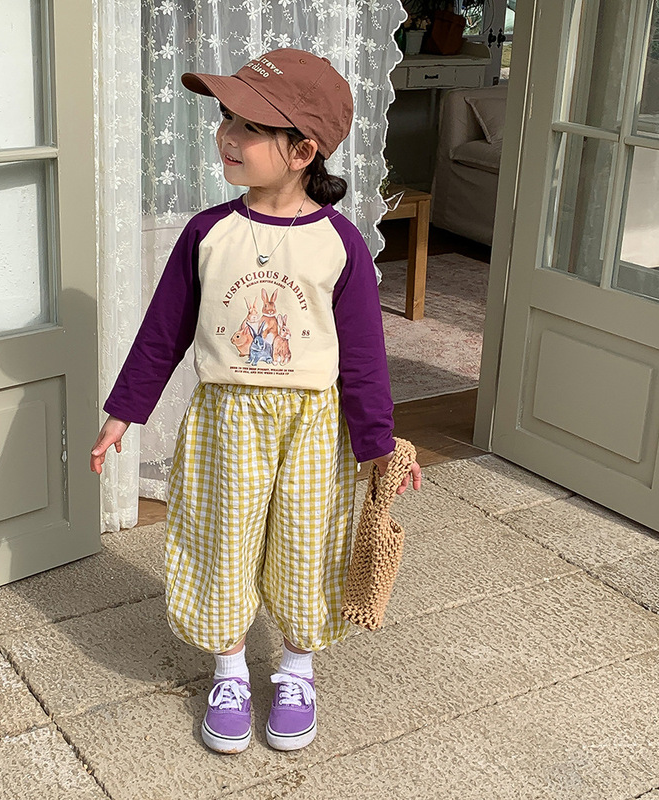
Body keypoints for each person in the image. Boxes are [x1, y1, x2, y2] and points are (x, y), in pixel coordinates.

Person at [90, 48, 422, 755]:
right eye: (226, 119)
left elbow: (364, 358)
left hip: (314, 425)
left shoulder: (339, 244)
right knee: (223, 540)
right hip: (227, 420)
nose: (227, 136)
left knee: (308, 543)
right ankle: (231, 670)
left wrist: (377, 445)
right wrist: (125, 410)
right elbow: (163, 332)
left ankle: (297, 669)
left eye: (248, 127)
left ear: (302, 151)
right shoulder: (208, 233)